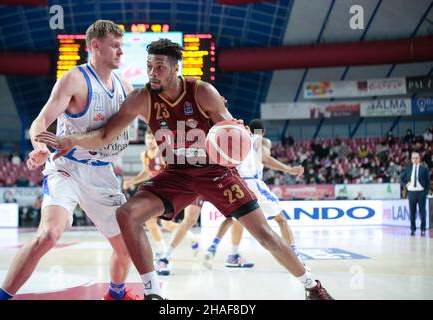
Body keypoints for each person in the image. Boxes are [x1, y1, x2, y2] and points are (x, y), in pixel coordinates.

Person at [36, 39, 333, 300]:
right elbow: (103, 135)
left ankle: (311, 285)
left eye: (160, 67)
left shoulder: (202, 91)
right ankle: (153, 292)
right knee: (127, 214)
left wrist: (235, 136)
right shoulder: (141, 99)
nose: (152, 73)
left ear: (175, 67)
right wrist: (72, 139)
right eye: (149, 66)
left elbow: (231, 131)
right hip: (176, 175)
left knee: (265, 234)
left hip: (213, 172)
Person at [0, 20, 140, 300]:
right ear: (95, 46)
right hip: (67, 168)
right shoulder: (75, 79)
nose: (121, 52)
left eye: (122, 46)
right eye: (115, 45)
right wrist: (39, 147)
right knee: (48, 234)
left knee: (128, 245)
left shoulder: (125, 85)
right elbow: (41, 121)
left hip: (102, 173)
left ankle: (115, 294)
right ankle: (3, 297)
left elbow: (152, 114)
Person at [203, 119, 308, 271]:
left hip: (235, 183)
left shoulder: (237, 141)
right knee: (281, 220)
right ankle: (295, 257)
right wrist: (289, 169)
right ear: (262, 132)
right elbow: (265, 158)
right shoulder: (261, 140)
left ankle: (229, 254)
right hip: (252, 183)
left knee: (236, 220)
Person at [123, 128, 198, 262]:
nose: (151, 141)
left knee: (150, 220)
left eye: (153, 138)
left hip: (169, 191)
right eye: (148, 138)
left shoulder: (164, 153)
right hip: (157, 192)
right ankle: (190, 237)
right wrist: (132, 181)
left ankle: (163, 251)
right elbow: (147, 172)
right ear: (145, 140)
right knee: (166, 225)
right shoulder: (144, 155)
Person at [399, 152, 431, 237]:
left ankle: (423, 229)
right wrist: (405, 184)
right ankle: (412, 229)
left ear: (419, 158)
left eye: (416, 158)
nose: (415, 159)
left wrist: (425, 192)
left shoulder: (424, 169)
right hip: (411, 193)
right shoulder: (408, 169)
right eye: (413, 158)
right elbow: (400, 178)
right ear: (411, 159)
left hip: (421, 193)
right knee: (412, 212)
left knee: (422, 212)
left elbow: (428, 182)